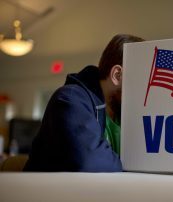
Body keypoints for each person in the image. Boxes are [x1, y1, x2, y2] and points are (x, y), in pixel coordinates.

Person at [24, 34, 144, 172]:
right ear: (117, 75)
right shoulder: (69, 99)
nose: (144, 88)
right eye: (141, 79)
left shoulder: (124, 113)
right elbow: (90, 161)